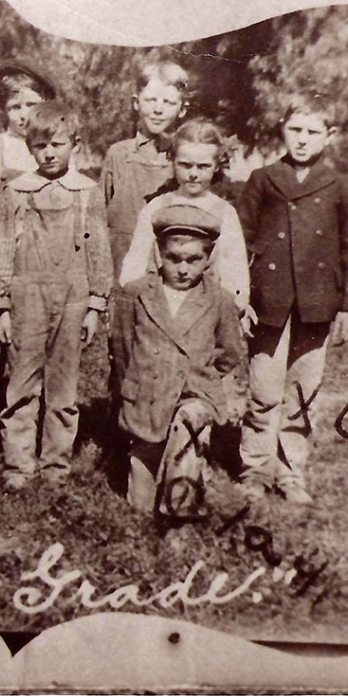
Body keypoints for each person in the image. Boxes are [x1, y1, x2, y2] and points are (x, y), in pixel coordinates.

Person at [237, 92, 348, 503]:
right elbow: (241, 239)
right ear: (283, 131)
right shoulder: (263, 178)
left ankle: (291, 472)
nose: (303, 140)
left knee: (303, 391)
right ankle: (255, 467)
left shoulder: (340, 187)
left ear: (329, 135)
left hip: (317, 303)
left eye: (312, 132)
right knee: (264, 388)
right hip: (268, 301)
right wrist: (241, 295)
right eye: (295, 130)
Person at [0, 101, 113, 488]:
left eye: (57, 144)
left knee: (63, 387)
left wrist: (95, 304)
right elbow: (1, 246)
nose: (49, 153)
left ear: (74, 143)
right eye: (40, 146)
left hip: (73, 300)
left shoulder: (87, 193)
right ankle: (18, 465)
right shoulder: (16, 191)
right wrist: (2, 302)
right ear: (29, 148)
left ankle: (55, 464)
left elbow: (99, 251)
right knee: (21, 382)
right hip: (27, 298)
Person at [114, 204, 245, 516]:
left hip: (194, 391)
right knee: (140, 501)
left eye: (193, 260)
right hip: (146, 390)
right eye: (174, 258)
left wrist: (203, 377)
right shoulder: (136, 294)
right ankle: (144, 507)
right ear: (160, 253)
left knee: (190, 428)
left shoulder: (219, 299)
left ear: (208, 258)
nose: (183, 269)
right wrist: (130, 388)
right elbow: (122, 348)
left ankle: (182, 512)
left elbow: (230, 352)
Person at [119, 119, 251, 322]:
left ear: (216, 166)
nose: (193, 174)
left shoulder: (225, 213)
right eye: (185, 165)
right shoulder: (155, 208)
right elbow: (134, 266)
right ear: (173, 161)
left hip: (207, 314)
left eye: (203, 166)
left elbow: (235, 274)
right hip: (159, 312)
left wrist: (233, 310)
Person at [102, 59, 189, 280]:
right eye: (151, 100)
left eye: (169, 102)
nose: (158, 109)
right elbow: (97, 216)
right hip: (119, 263)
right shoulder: (118, 154)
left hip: (169, 269)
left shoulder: (185, 160)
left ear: (182, 109)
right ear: (136, 102)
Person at [0, 61, 57, 282]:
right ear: (4, 109)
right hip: (1, 258)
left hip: (47, 258)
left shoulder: (56, 148)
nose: (24, 115)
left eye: (31, 104)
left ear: (45, 103)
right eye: (15, 107)